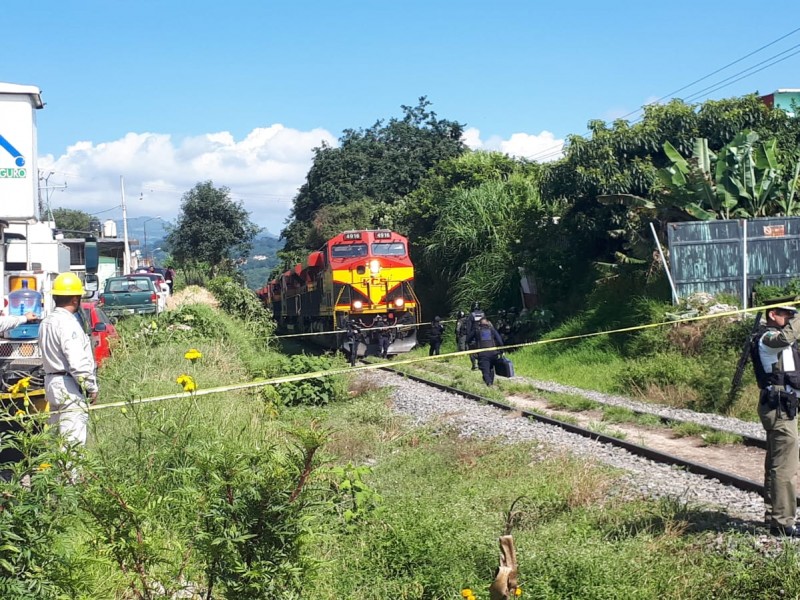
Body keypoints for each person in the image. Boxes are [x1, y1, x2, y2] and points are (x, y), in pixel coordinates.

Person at [753, 304, 800, 537]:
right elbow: (785, 338)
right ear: (773, 315)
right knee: (785, 466)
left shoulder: (780, 338)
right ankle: (782, 523)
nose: (792, 319)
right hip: (778, 407)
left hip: (782, 405)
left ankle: (775, 517)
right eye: (787, 315)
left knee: (776, 462)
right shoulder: (769, 338)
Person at [38, 272, 98, 447]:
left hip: (52, 383)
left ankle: (59, 474)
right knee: (73, 443)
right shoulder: (68, 323)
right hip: (69, 386)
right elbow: (77, 363)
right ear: (74, 299)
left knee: (58, 441)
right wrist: (91, 387)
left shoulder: (47, 322)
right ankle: (72, 476)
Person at [468, 317, 504, 386]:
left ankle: (489, 384)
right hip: (494, 353)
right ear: (488, 323)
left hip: (483, 354)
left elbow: (468, 339)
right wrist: (501, 351)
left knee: (485, 372)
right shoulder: (492, 330)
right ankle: (491, 383)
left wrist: (473, 346)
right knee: (491, 369)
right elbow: (500, 341)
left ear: (479, 324)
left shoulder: (476, 330)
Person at [465, 301, 485, 370]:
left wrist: (467, 338)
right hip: (482, 335)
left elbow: (468, 328)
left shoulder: (471, 315)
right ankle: (481, 364)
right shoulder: (483, 314)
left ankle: (474, 364)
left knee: (471, 350)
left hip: (473, 336)